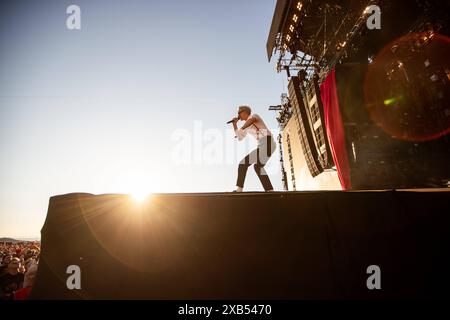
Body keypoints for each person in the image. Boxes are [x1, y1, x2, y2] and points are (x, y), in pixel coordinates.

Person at [231, 105, 276, 192]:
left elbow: (251, 121)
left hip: (267, 142)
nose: (238, 115)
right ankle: (270, 190)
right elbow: (240, 137)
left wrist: (242, 128)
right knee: (258, 167)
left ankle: (239, 189)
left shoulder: (254, 116)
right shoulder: (247, 126)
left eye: (239, 113)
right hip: (265, 145)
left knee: (243, 163)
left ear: (245, 112)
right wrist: (235, 125)